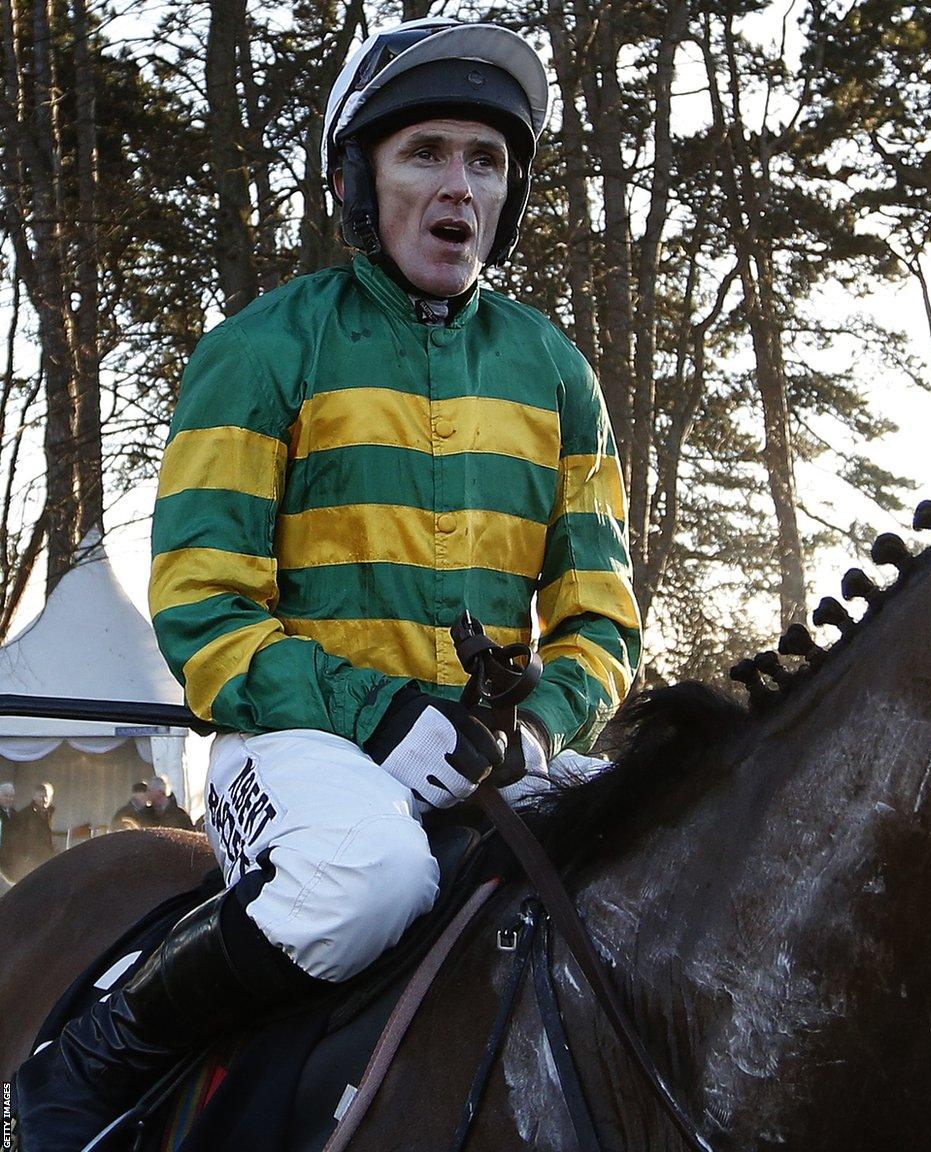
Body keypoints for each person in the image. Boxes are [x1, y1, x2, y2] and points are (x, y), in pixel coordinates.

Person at [12, 18, 640, 1149]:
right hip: (291, 747)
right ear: (358, 179)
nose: (460, 186)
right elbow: (203, 606)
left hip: (486, 756)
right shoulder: (261, 350)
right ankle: (98, 1056)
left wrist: (542, 728)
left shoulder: (558, 375)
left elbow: (601, 619)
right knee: (368, 874)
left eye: (485, 161)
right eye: (426, 153)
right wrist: (375, 713)